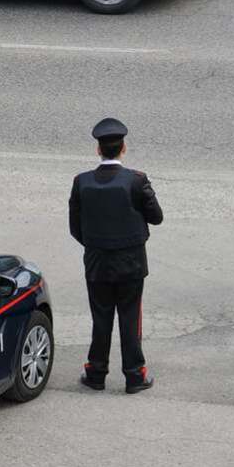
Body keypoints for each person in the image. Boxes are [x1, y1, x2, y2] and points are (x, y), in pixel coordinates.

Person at [69, 117, 163, 393]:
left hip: (97, 261)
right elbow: (156, 217)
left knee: (101, 317)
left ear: (98, 150)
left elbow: (75, 227)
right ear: (123, 148)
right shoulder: (136, 180)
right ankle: (135, 375)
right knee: (130, 317)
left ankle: (96, 372)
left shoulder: (81, 182)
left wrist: (96, 244)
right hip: (131, 263)